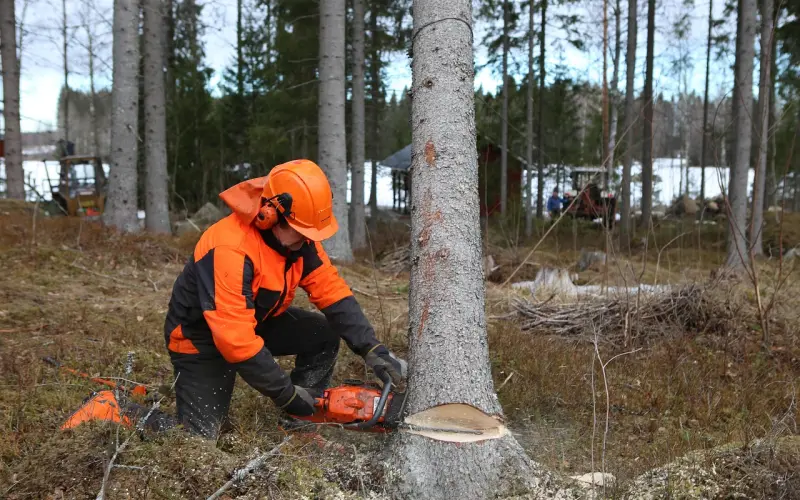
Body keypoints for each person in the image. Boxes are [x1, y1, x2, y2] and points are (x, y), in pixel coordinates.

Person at [162, 159, 406, 438]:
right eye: (301, 232)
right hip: (201, 339)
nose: (307, 240)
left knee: (322, 333)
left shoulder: (300, 243)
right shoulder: (231, 248)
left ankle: (300, 422)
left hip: (253, 320)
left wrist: (371, 348)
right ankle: (116, 410)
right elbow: (235, 341)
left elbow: (331, 291)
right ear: (270, 214)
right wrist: (286, 395)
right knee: (198, 438)